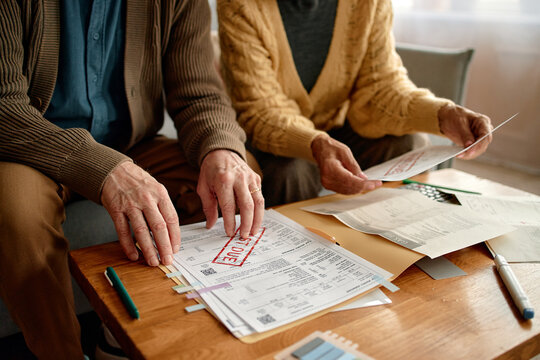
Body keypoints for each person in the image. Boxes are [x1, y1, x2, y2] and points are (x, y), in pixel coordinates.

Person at [0, 0, 264, 359]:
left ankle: (139, 334)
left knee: (236, 174)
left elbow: (199, 93)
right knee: (15, 210)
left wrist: (221, 148)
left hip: (133, 145)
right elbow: (5, 106)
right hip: (33, 149)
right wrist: (104, 169)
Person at [217, 0, 493, 207]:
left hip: (334, 127)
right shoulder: (239, 5)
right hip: (268, 136)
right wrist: (315, 144)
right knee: (291, 172)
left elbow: (381, 86)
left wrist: (441, 114)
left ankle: (389, 249)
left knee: (408, 145)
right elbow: (261, 110)